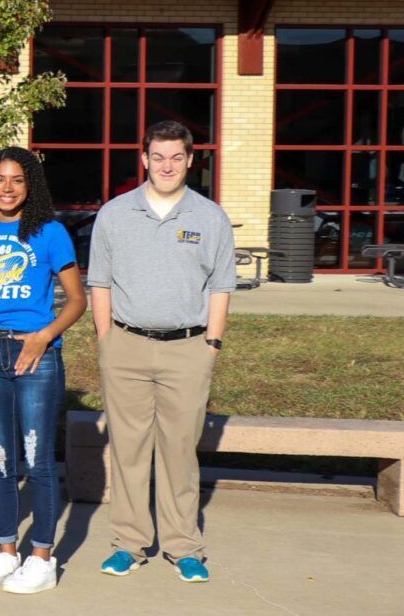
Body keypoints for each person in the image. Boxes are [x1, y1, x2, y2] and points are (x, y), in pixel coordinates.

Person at [90, 120, 234, 583]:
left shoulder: (209, 217)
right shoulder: (114, 213)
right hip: (126, 346)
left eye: (176, 157)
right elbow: (100, 281)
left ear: (191, 160)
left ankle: (182, 546)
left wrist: (212, 343)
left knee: (179, 450)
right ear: (144, 159)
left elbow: (221, 285)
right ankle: (128, 544)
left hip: (188, 348)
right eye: (158, 156)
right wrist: (105, 339)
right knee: (129, 449)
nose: (167, 165)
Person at [0, 147, 86, 595]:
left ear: (31, 186)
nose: (7, 189)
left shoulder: (50, 233)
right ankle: (7, 552)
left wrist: (44, 336)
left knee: (38, 458)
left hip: (35, 354)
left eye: (17, 180)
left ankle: (42, 557)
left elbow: (77, 300)